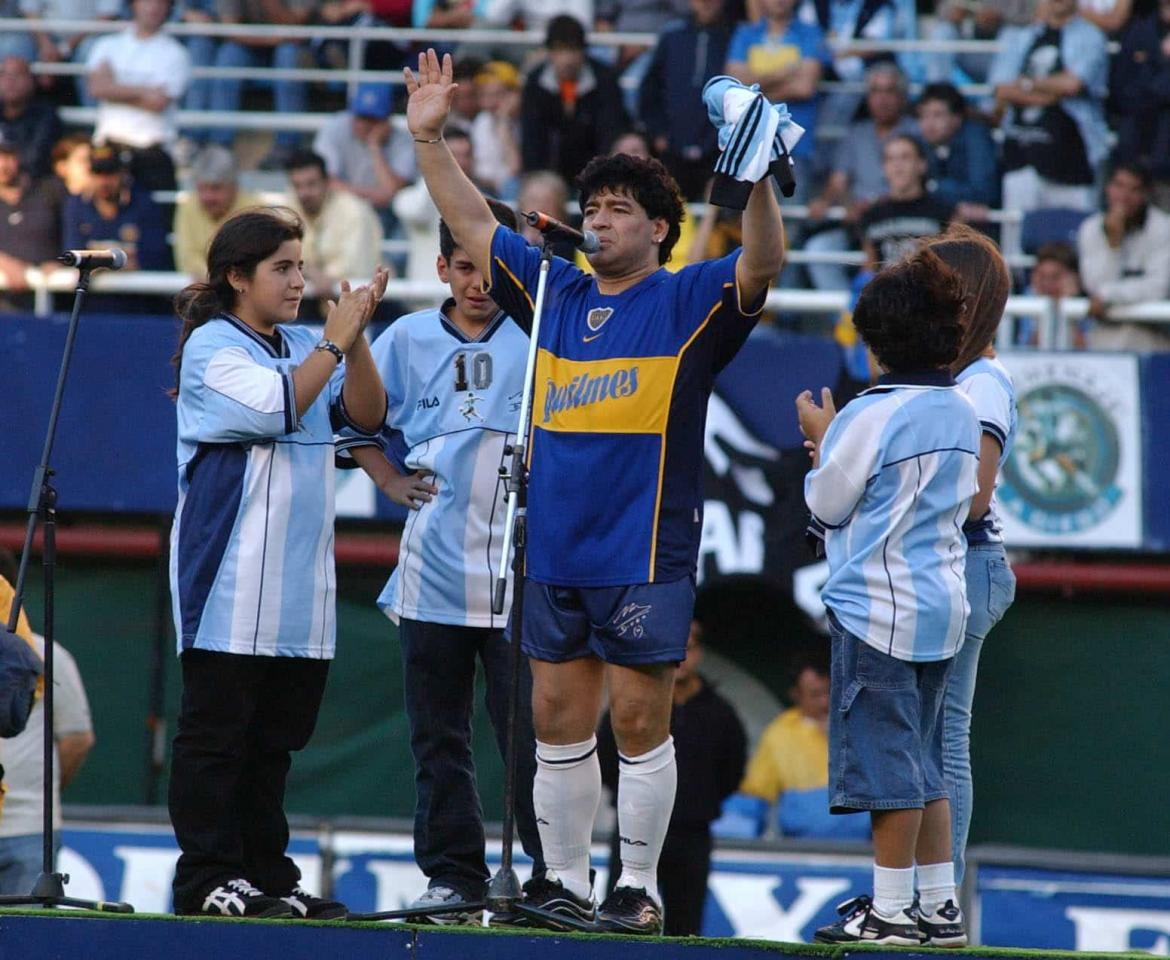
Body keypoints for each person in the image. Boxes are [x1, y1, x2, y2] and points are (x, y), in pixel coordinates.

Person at [403, 48, 785, 935]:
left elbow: (762, 262)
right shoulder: (552, 290)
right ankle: (565, 884)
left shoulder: (690, 295)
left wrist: (758, 180)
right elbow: (468, 221)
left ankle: (637, 889)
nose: (598, 221)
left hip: (643, 543)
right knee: (554, 717)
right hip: (556, 542)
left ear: (659, 228)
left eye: (618, 210)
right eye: (592, 209)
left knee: (641, 718)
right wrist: (430, 142)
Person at [167, 207, 388, 919]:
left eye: (300, 264)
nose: (298, 280)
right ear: (237, 276)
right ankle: (206, 877)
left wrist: (354, 346)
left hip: (300, 588)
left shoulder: (307, 341)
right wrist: (333, 340)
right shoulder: (213, 346)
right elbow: (278, 406)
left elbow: (367, 415)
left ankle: (266, 875)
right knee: (217, 739)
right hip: (230, 583)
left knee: (273, 746)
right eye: (281, 268)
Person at [339, 199, 548, 922]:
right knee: (439, 735)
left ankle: (548, 879)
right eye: (464, 267)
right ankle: (454, 877)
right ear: (442, 268)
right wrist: (388, 478)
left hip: (521, 563)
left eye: (492, 268)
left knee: (530, 735)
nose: (478, 283)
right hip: (432, 565)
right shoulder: (403, 337)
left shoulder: (541, 330)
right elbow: (353, 421)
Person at [796, 249, 978, 946]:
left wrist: (823, 439)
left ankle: (892, 909)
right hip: (943, 603)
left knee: (888, 766)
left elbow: (831, 503)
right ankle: (939, 905)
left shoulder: (869, 414)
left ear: (877, 343)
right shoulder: (960, 409)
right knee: (926, 758)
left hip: (878, 608)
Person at [918, 224, 1016, 890]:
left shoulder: (982, 382)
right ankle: (925, 891)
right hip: (954, 562)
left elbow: (974, 498)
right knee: (928, 737)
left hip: (965, 560)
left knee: (943, 738)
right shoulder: (963, 377)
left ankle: (938, 896)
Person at [598, 620, 747, 936]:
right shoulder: (633, 704)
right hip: (631, 830)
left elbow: (733, 769)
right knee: (620, 923)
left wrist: (698, 804)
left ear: (699, 652)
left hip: (692, 834)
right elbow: (607, 759)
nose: (680, 656)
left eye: (689, 647)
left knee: (686, 927)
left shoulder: (720, 713)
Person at [0, 553, 94, 896]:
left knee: (24, 942)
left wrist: (40, 800)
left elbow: (76, 739)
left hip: (28, 829)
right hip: (30, 826)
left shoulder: (47, 654)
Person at [803, 63, 917, 290]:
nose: (882, 99)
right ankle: (849, 319)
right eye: (875, 91)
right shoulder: (856, 133)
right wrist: (838, 203)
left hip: (903, 224)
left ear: (903, 97)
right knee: (818, 249)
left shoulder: (916, 131)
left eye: (889, 91)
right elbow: (838, 181)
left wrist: (877, 205)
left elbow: (920, 185)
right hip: (858, 224)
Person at [988, 0, 1108, 214]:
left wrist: (1026, 83)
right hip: (1021, 157)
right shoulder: (1021, 36)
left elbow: (1073, 84)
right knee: (1016, 243)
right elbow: (1001, 89)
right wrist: (1049, 95)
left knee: (1074, 241)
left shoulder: (1090, 36)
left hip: (1073, 162)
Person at [736, 654, 870, 839]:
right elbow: (755, 795)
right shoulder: (780, 734)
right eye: (815, 694)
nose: (825, 701)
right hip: (803, 849)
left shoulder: (863, 724)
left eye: (830, 691)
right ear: (796, 695)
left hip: (866, 848)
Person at [725, 0, 830, 204]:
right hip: (750, 146)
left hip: (793, 147)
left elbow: (805, 87)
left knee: (790, 225)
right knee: (753, 223)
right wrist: (786, 72)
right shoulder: (746, 33)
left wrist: (755, 86)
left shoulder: (810, 32)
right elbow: (734, 83)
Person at [85, 0, 192, 194]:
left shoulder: (176, 54)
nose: (154, 7)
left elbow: (158, 102)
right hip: (109, 150)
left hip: (152, 154)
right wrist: (145, 91)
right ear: (133, 5)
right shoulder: (107, 45)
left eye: (161, 2)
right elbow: (97, 89)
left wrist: (114, 87)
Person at [638, 0, 734, 201]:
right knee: (667, 209)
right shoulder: (672, 36)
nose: (707, 4)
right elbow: (649, 88)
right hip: (673, 147)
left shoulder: (735, 37)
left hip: (718, 149)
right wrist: (658, 132)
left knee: (719, 212)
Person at [208, 0, 319, 167]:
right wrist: (273, 38)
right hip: (252, 44)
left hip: (293, 49)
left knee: (288, 55)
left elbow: (295, 24)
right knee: (228, 55)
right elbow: (230, 28)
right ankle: (220, 145)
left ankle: (287, 146)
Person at [520, 16, 629, 185]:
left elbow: (611, 131)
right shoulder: (535, 83)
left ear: (583, 51)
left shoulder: (605, 80)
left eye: (573, 49)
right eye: (560, 50)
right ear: (550, 52)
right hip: (550, 177)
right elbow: (532, 140)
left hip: (597, 176)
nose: (567, 59)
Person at [1077, 162, 1170, 351]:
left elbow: (1158, 287)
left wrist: (1109, 295)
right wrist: (1113, 245)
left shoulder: (1163, 228)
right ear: (1107, 188)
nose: (1124, 197)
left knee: (1131, 340)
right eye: (1119, 186)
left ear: (1145, 195)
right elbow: (1094, 285)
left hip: (1153, 329)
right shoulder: (1090, 229)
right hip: (1105, 327)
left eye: (1134, 189)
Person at [284, 149, 384, 296]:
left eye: (311, 184)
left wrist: (316, 275)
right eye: (297, 186)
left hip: (361, 300)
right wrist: (309, 273)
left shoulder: (354, 211)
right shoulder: (287, 210)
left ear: (327, 182)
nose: (303, 193)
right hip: (305, 300)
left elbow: (354, 267)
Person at [312, 82, 417, 214]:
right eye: (360, 117)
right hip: (343, 206)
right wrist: (373, 196)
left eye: (372, 119)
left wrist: (374, 146)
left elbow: (393, 192)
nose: (363, 125)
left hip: (387, 213)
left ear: (387, 121)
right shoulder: (334, 127)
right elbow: (327, 183)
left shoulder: (402, 139)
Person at [62, 144, 170, 273]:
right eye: (97, 173)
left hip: (136, 289)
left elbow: (154, 257)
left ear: (123, 173)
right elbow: (73, 253)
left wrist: (101, 264)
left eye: (110, 173)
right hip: (91, 288)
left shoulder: (145, 204)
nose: (104, 182)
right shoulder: (77, 205)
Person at [859, 135, 953, 271]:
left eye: (905, 157)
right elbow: (869, 267)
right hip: (886, 290)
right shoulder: (871, 215)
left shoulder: (945, 212)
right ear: (883, 168)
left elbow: (953, 268)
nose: (897, 165)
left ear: (922, 165)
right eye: (890, 159)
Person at [173, 144, 261, 279]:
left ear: (234, 186)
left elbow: (253, 260)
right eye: (202, 189)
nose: (208, 197)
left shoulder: (256, 209)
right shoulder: (188, 206)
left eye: (216, 188)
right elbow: (186, 257)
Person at [914, 82, 999, 218]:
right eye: (923, 115)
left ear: (957, 118)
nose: (929, 123)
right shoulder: (923, 141)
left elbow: (983, 192)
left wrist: (933, 187)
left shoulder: (976, 137)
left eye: (937, 115)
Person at [0, 138, 61, 309]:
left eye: (8, 156)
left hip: (54, 295)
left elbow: (75, 231)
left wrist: (62, 261)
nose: (3, 165)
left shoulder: (50, 191)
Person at [0, 55, 61, 181]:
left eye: (17, 75)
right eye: (5, 75)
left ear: (31, 81)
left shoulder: (45, 115)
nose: (10, 81)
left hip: (33, 183)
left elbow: (36, 158)